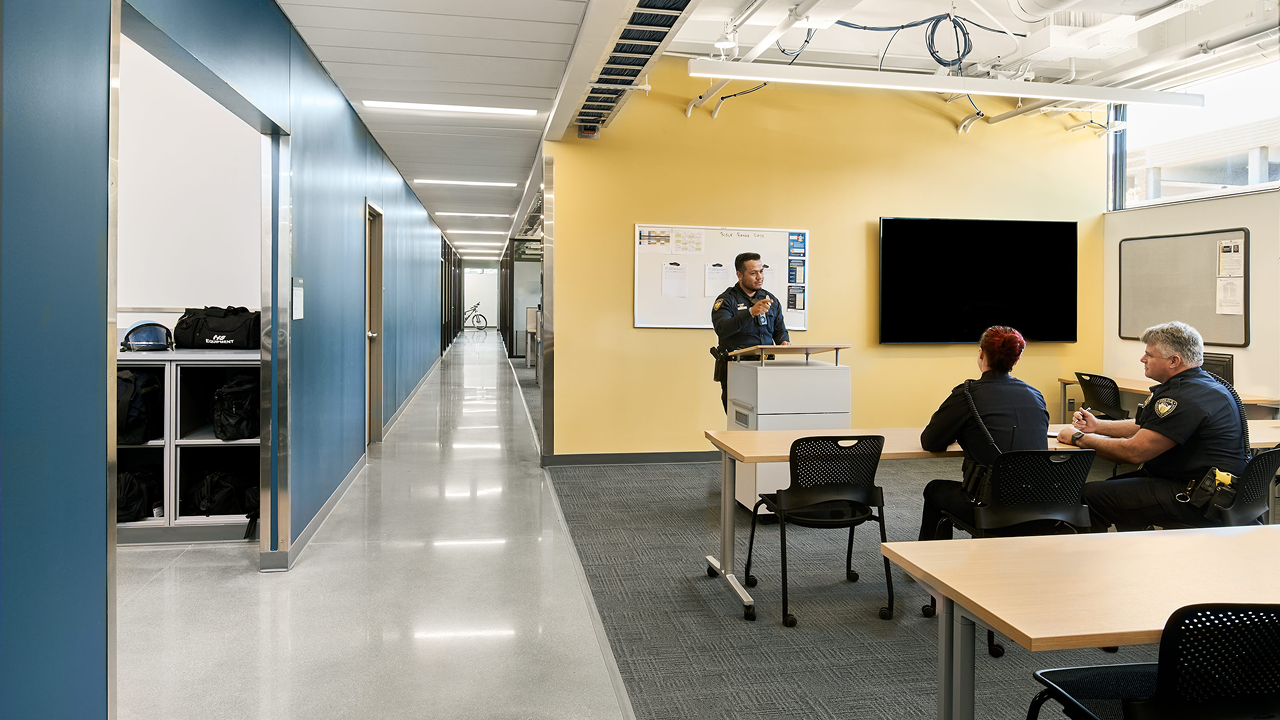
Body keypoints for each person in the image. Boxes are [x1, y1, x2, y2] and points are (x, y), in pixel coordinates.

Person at [1058, 321, 1246, 531]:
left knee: (1087, 496)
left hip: (1196, 497)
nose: (1142, 359)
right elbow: (1149, 427)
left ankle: (1089, 558)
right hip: (1201, 487)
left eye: (1150, 355)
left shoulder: (1185, 397)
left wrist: (1077, 438)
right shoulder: (1200, 385)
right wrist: (1098, 426)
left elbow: (1134, 452)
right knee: (1113, 489)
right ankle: (1136, 549)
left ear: (1174, 361)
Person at [917, 326, 1050, 540]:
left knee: (934, 490)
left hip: (989, 506)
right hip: (1043, 504)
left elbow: (931, 441)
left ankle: (929, 565)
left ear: (981, 353)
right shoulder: (1035, 395)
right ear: (1016, 359)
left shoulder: (967, 394)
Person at [711, 252, 789, 411]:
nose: (759, 276)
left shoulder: (770, 300)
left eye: (761, 271)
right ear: (739, 275)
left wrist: (783, 341)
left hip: (766, 367)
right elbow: (722, 329)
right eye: (753, 273)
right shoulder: (726, 300)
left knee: (768, 415)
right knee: (740, 417)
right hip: (737, 369)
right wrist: (750, 313)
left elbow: (779, 330)